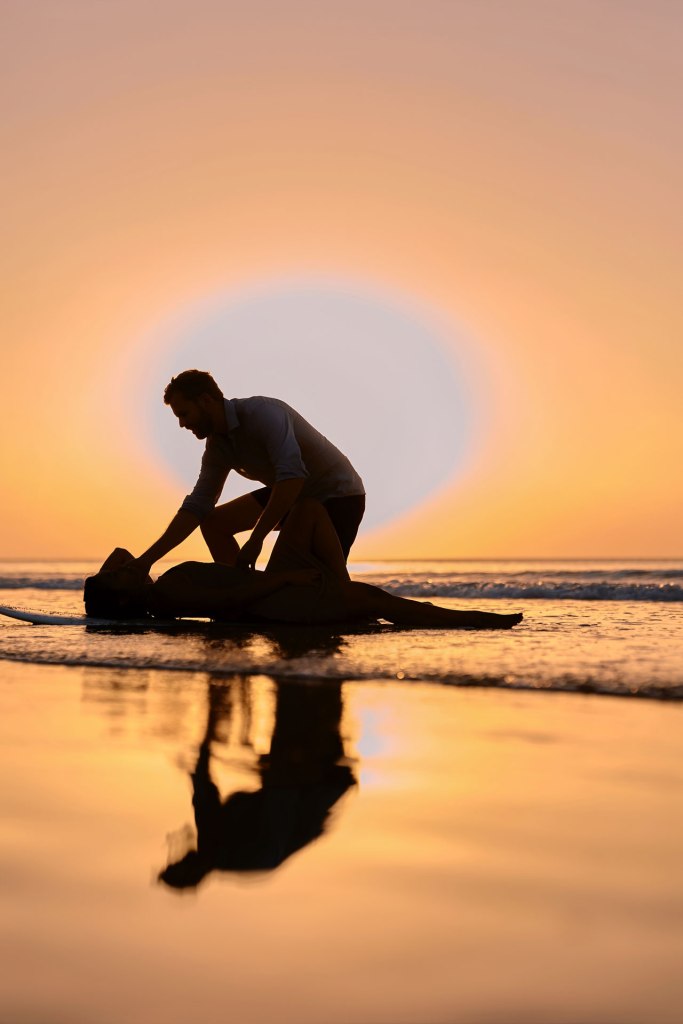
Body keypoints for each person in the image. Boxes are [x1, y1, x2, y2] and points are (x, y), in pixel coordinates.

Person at [84, 500, 523, 630]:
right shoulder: (169, 593)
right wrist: (289, 578)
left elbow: (121, 555)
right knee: (378, 602)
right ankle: (479, 620)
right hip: (276, 600)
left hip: (275, 588)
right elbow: (234, 600)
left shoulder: (153, 588)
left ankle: (338, 590)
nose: (127, 564)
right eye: (120, 576)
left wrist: (115, 580)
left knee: (309, 507)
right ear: (125, 595)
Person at [126, 369, 365, 577]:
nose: (182, 424)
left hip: (339, 495)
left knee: (313, 583)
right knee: (214, 523)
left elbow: (292, 478)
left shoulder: (263, 414)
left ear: (205, 400)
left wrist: (255, 540)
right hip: (293, 494)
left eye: (184, 414)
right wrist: (144, 562)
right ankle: (241, 591)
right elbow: (198, 505)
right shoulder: (217, 448)